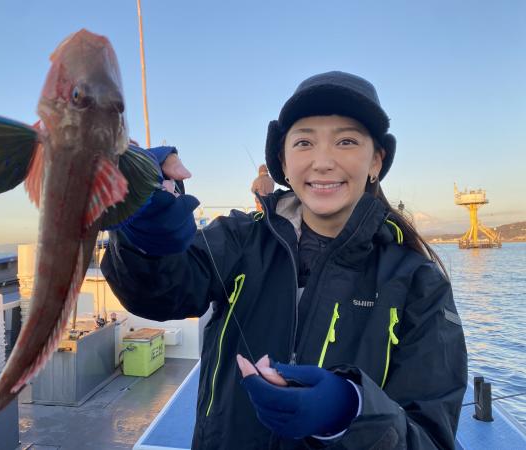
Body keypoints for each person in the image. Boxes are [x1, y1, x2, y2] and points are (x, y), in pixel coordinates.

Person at [101, 71, 467, 449]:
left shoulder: (419, 283)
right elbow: (158, 293)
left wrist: (351, 411)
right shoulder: (239, 238)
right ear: (283, 162)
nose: (322, 162)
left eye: (346, 141)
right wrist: (144, 233)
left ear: (376, 161)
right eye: (304, 142)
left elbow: (432, 437)